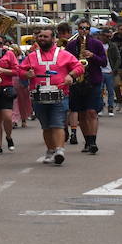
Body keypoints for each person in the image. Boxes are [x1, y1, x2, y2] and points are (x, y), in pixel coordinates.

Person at [16, 27, 84, 165]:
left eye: (45, 36)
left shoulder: (64, 54)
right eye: (40, 36)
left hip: (60, 94)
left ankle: (59, 150)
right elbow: (20, 70)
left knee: (58, 123)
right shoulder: (32, 56)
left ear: (53, 39)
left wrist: (71, 76)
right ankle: (50, 150)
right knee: (46, 126)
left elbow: (79, 66)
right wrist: (26, 74)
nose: (41, 38)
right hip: (38, 96)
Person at [66, 20, 107, 154]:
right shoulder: (71, 45)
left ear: (90, 30)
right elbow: (66, 63)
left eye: (87, 28)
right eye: (81, 28)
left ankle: (93, 141)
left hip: (93, 81)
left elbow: (104, 62)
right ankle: (88, 141)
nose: (84, 30)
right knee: (82, 114)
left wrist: (92, 56)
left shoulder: (97, 44)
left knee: (92, 112)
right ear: (77, 29)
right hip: (77, 83)